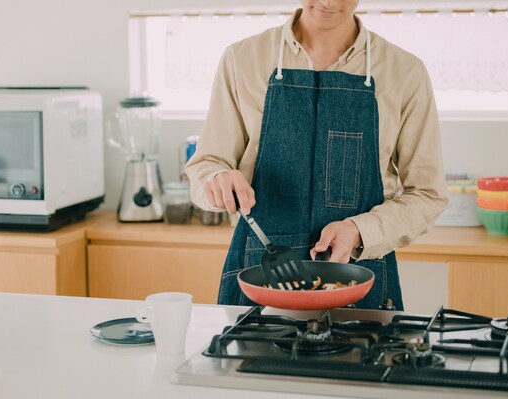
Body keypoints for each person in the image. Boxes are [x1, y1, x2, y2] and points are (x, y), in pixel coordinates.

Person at [184, 0, 448, 310]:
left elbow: (428, 194)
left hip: (358, 278)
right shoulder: (242, 59)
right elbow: (206, 166)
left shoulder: (405, 71)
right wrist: (217, 179)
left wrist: (359, 231)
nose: (330, 1)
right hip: (259, 275)